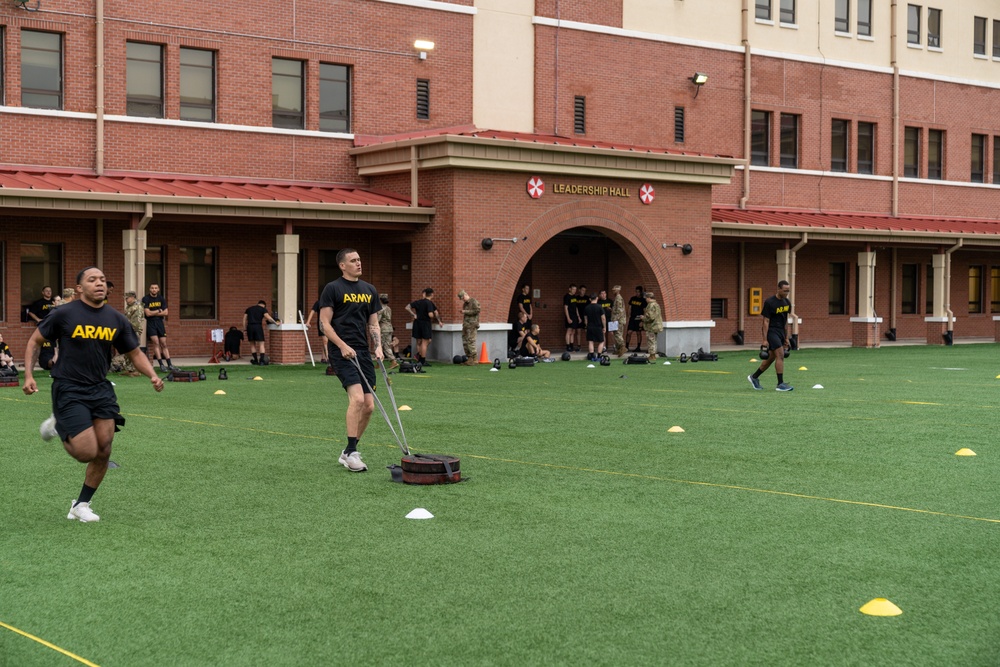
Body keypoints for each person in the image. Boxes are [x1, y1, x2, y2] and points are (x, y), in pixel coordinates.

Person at [23, 266, 164, 522]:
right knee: (86, 451)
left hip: (100, 388)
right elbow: (34, 341)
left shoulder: (116, 318)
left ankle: (81, 505)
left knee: (105, 448)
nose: (99, 283)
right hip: (69, 387)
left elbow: (134, 352)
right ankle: (58, 426)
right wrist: (29, 375)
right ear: (79, 288)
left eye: (102, 279)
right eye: (92, 279)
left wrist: (152, 375)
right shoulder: (63, 313)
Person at [319, 248, 383, 473]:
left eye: (359, 259)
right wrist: (342, 345)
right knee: (356, 399)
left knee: (368, 406)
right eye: (353, 260)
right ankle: (352, 452)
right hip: (342, 352)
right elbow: (324, 324)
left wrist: (378, 346)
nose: (358, 263)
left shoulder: (369, 290)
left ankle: (349, 451)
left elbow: (373, 323)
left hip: (363, 353)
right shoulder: (332, 288)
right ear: (342, 265)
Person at [748, 280, 794, 392]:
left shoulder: (787, 302)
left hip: (781, 332)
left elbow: (785, 322)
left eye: (788, 291)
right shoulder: (770, 302)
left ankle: (754, 377)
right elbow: (765, 321)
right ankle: (780, 384)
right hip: (771, 331)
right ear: (778, 289)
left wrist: (786, 337)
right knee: (780, 355)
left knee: (771, 358)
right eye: (784, 290)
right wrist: (764, 340)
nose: (786, 293)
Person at [142, 283, 175, 371]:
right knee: (156, 342)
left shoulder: (161, 299)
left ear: (158, 289)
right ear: (149, 289)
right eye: (152, 288)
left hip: (160, 323)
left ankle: (170, 364)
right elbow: (147, 314)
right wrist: (159, 310)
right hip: (150, 323)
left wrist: (154, 312)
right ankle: (161, 365)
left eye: (155, 288)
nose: (154, 289)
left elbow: (166, 313)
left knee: (164, 343)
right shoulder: (146, 299)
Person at [110, 290, 144, 376]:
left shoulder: (137, 307)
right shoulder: (129, 307)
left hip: (133, 331)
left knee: (132, 350)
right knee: (127, 350)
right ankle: (129, 369)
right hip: (128, 331)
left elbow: (136, 322)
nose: (126, 300)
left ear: (132, 297)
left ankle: (135, 370)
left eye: (127, 298)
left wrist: (131, 331)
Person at [405, 288, 442, 366]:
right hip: (425, 323)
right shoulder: (429, 303)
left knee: (419, 341)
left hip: (417, 323)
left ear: (424, 294)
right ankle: (422, 360)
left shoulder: (418, 302)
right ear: (432, 294)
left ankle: (419, 356)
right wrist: (439, 321)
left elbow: (407, 307)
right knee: (425, 342)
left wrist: (413, 314)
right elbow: (432, 314)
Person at [244, 300, 280, 365]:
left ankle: (255, 360)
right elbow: (268, 318)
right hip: (258, 326)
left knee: (252, 344)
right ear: (264, 305)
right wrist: (275, 323)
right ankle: (261, 361)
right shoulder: (263, 309)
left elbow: (244, 319)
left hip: (249, 326)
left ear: (258, 304)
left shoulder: (249, 309)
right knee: (261, 344)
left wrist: (245, 329)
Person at [458, 290, 480, 365]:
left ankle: (474, 359)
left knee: (471, 341)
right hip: (466, 325)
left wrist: (465, 312)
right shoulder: (465, 304)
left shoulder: (474, 301)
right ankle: (469, 358)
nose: (463, 300)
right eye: (462, 299)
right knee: (465, 341)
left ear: (466, 295)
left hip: (472, 325)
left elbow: (477, 310)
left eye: (463, 298)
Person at [583, 292, 607, 361]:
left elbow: (585, 319)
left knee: (590, 341)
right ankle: (599, 356)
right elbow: (603, 318)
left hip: (590, 327)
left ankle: (592, 356)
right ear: (597, 298)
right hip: (598, 326)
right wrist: (604, 327)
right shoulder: (600, 307)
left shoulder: (586, 308)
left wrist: (586, 327)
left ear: (590, 299)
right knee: (601, 341)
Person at [641, 291, 663, 361]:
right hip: (656, 325)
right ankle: (652, 355)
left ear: (649, 298)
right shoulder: (656, 304)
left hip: (651, 326)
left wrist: (643, 318)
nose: (645, 300)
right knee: (654, 341)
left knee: (651, 341)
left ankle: (652, 355)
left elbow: (651, 317)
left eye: (646, 298)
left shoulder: (651, 305)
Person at [378, 294, 398, 369]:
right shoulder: (389, 308)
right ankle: (379, 363)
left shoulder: (380, 309)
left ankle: (393, 360)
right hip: (389, 328)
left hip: (383, 329)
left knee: (380, 345)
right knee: (387, 345)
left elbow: (377, 320)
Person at [626, 286, 647, 352]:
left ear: (641, 292)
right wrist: (628, 315)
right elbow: (629, 307)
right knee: (629, 332)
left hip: (639, 318)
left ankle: (638, 347)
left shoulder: (643, 300)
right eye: (636, 292)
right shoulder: (633, 298)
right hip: (632, 318)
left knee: (638, 332)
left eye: (638, 292)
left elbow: (645, 310)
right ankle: (626, 346)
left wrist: (642, 321)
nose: (637, 293)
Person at [610, 285, 627, 356]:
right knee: (616, 334)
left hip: (618, 320)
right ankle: (618, 349)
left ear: (617, 291)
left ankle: (623, 347)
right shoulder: (617, 298)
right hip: (618, 319)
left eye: (614, 290)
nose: (613, 291)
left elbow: (620, 311)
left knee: (618, 334)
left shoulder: (618, 298)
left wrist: (615, 319)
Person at [563, 284, 579, 351]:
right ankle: (568, 346)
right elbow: (565, 308)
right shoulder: (567, 296)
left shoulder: (574, 297)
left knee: (573, 331)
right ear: (569, 289)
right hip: (570, 316)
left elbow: (576, 307)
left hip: (575, 316)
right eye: (573, 289)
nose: (574, 291)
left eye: (575, 289)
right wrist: (568, 318)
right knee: (569, 331)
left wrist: (578, 317)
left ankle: (572, 345)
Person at [575, 285, 589, 351]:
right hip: (579, 317)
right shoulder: (576, 298)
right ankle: (579, 346)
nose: (583, 292)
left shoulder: (587, 298)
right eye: (582, 290)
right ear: (579, 290)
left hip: (586, 317)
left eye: (585, 291)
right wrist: (578, 317)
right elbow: (575, 308)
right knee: (578, 332)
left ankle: (589, 345)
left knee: (587, 331)